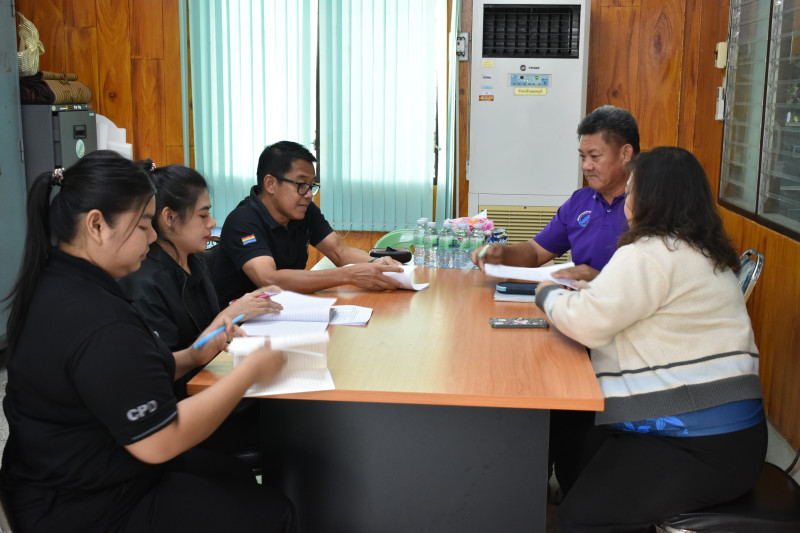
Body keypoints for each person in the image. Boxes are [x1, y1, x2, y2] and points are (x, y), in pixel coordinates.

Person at [1, 151, 296, 533]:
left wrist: (194, 355)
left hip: (80, 467)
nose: (153, 236)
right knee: (274, 514)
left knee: (235, 475)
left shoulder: (62, 279)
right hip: (84, 505)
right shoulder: (99, 321)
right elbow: (160, 440)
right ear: (97, 225)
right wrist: (250, 372)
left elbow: (123, 376)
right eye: (143, 225)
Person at [535, 147, 767, 532]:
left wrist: (546, 292)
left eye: (631, 191)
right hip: (734, 437)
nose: (626, 200)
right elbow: (644, 302)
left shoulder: (649, 253)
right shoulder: (701, 248)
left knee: (580, 517)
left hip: (695, 441)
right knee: (583, 446)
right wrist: (595, 288)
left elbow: (587, 324)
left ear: (652, 198)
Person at [118, 163, 282, 394]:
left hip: (212, 376)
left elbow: (208, 328)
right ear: (170, 217)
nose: (212, 223)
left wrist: (240, 311)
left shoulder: (194, 260)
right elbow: (162, 373)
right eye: (203, 215)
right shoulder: (146, 284)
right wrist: (229, 315)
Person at [212, 140, 402, 303]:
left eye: (311, 185)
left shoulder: (303, 210)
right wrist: (349, 274)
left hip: (287, 309)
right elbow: (269, 279)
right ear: (270, 183)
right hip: (243, 324)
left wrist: (376, 264)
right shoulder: (243, 221)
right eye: (301, 185)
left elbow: (340, 252)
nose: (309, 194)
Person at [472, 104, 640, 282]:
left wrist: (597, 280)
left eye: (595, 156)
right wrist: (502, 254)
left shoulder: (651, 203)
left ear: (625, 153)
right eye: (582, 157)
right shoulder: (579, 200)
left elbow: (654, 281)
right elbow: (536, 252)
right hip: (580, 298)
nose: (586, 166)